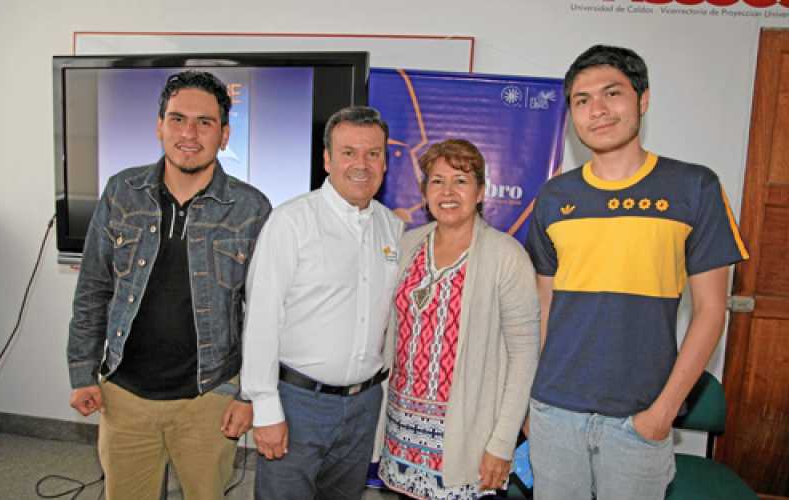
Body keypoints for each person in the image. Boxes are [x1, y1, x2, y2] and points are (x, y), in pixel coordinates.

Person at [524, 44, 749, 500]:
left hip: (639, 420)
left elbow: (711, 312)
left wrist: (662, 412)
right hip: (554, 413)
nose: (597, 110)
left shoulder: (693, 187)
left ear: (643, 99)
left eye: (612, 93)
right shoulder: (554, 197)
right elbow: (544, 306)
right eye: (582, 100)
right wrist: (531, 403)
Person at [66, 70, 271, 500]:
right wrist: (82, 372)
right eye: (177, 119)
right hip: (124, 397)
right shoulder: (121, 191)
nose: (189, 134)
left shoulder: (251, 208)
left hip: (209, 398)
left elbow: (264, 315)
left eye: (204, 122)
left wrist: (248, 394)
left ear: (224, 135)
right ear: (160, 126)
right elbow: (93, 290)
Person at [240, 106, 404, 500]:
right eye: (348, 152)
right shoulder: (291, 222)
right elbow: (261, 318)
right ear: (327, 159)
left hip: (363, 406)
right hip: (297, 404)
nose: (361, 164)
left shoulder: (392, 227)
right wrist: (264, 407)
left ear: (384, 162)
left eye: (373, 153)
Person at [377, 139, 540, 499]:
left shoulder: (506, 256)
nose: (448, 192)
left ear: (480, 192)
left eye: (461, 181)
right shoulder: (406, 245)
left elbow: (524, 356)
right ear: (425, 192)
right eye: (437, 181)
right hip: (402, 431)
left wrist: (502, 442)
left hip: (468, 437)